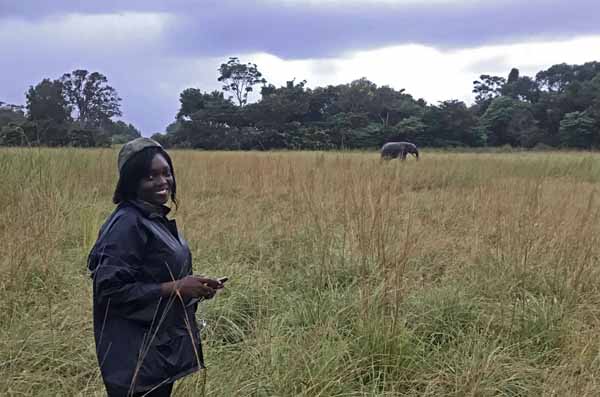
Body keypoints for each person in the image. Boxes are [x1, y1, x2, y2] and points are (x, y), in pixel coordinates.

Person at [87, 137, 224, 397]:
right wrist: (176, 287)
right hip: (134, 359)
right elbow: (110, 291)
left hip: (157, 349)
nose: (163, 182)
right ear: (132, 182)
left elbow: (156, 274)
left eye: (166, 173)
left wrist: (192, 287)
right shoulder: (127, 224)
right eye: (150, 176)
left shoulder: (152, 217)